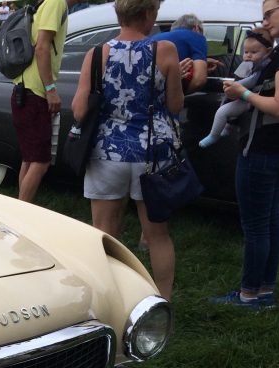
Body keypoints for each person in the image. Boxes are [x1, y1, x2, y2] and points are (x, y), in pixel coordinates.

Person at [71, 0, 183, 300]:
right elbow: (175, 106)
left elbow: (80, 110)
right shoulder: (166, 50)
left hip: (108, 151)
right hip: (152, 154)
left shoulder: (96, 54)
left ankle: (110, 297)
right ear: (147, 14)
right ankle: (162, 302)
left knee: (104, 233)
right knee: (158, 236)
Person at [211, 0, 279, 309]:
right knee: (270, 221)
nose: (265, 22)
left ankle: (249, 294)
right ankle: (265, 290)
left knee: (256, 224)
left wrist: (241, 93)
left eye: (268, 14)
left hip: (263, 145)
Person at [10, 0, 71, 203]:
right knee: (40, 161)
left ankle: (19, 209)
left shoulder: (48, 2)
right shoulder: (56, 3)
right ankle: (20, 215)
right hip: (35, 93)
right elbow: (42, 48)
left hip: (24, 90)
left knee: (29, 158)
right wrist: (50, 90)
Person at [199, 29, 273, 148]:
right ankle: (228, 126)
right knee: (223, 104)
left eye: (254, 52)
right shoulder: (249, 64)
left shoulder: (262, 67)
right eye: (246, 51)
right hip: (241, 95)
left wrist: (235, 85)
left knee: (222, 112)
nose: (248, 55)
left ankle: (214, 135)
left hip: (250, 99)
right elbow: (239, 76)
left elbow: (252, 81)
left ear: (268, 52)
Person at [150, 14, 209, 93]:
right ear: (196, 28)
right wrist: (181, 96)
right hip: (168, 95)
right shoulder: (196, 36)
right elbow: (199, 81)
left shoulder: (155, 37)